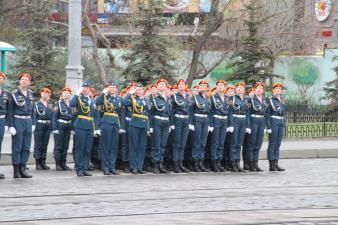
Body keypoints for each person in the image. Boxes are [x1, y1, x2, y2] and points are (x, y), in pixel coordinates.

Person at [8, 72, 35, 178]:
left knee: (26, 147)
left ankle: (23, 168)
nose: (24, 81)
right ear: (19, 81)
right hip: (18, 121)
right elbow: (10, 111)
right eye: (22, 79)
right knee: (17, 147)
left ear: (29, 82)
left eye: (26, 79)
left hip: (28, 121)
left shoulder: (31, 94)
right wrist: (11, 125)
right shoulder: (14, 94)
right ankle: (16, 170)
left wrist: (33, 123)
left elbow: (32, 110)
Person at [95, 81, 125, 175]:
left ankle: (112, 167)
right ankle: (105, 167)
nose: (112, 89)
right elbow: (97, 102)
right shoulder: (104, 97)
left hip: (116, 123)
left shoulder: (119, 98)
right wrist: (103, 92)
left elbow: (121, 114)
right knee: (106, 146)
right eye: (110, 87)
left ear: (116, 89)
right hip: (106, 122)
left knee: (114, 146)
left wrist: (121, 126)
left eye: (113, 87)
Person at [70, 81, 98, 177]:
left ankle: (85, 167)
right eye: (83, 88)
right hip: (81, 124)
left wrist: (96, 128)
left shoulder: (91, 100)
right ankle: (79, 168)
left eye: (87, 87)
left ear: (89, 89)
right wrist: (76, 94)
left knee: (87, 148)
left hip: (90, 125)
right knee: (80, 148)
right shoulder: (78, 98)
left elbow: (95, 114)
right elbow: (72, 104)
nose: (85, 89)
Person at [122, 83, 151, 174]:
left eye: (141, 90)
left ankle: (139, 167)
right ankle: (133, 167)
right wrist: (130, 93)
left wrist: (148, 127)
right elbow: (123, 102)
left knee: (142, 147)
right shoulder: (132, 99)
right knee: (134, 146)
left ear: (143, 91)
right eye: (137, 90)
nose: (139, 91)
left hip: (144, 124)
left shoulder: (146, 100)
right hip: (134, 124)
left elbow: (148, 113)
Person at [149, 79, 172, 174]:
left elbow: (170, 113)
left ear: (166, 87)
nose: (162, 86)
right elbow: (150, 113)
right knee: (156, 144)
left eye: (163, 84)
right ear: (157, 87)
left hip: (166, 123)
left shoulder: (168, 99)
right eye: (160, 84)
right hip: (157, 122)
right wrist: (150, 126)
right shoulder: (154, 99)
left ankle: (161, 164)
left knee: (163, 144)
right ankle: (155, 164)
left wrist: (170, 124)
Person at [228, 82, 250, 172]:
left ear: (244, 90)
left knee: (239, 144)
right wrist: (231, 124)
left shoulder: (246, 99)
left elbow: (248, 113)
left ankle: (237, 163)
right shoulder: (231, 98)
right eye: (238, 87)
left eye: (241, 87)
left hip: (243, 121)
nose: (240, 89)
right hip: (235, 120)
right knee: (234, 143)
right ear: (235, 89)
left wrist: (248, 126)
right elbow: (229, 112)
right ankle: (233, 164)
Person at [190, 80, 212, 172]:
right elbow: (190, 111)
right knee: (197, 142)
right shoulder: (194, 98)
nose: (202, 87)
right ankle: (195, 163)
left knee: (203, 143)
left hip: (205, 120)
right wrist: (191, 123)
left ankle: (201, 163)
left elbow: (210, 112)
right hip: (197, 120)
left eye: (204, 86)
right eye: (201, 85)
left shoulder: (208, 98)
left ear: (207, 88)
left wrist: (210, 124)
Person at [171, 79, 191, 173]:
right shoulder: (174, 96)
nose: (181, 86)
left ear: (185, 86)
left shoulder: (188, 96)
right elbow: (171, 110)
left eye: (183, 84)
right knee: (177, 143)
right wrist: (172, 123)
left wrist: (190, 122)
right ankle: (175, 164)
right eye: (179, 84)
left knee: (183, 144)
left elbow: (190, 110)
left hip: (186, 120)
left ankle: (181, 164)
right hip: (178, 120)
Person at [247, 82, 267, 172]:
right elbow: (247, 113)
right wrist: (248, 126)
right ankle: (251, 164)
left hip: (261, 122)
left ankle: (256, 163)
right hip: (253, 121)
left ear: (263, 91)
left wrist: (265, 125)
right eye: (257, 88)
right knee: (252, 144)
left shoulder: (264, 100)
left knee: (258, 144)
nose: (259, 90)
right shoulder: (250, 100)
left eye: (261, 88)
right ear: (255, 90)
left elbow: (266, 113)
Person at [52, 87, 74, 171]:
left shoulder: (72, 104)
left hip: (68, 126)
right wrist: (54, 128)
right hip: (60, 125)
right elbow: (54, 116)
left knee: (66, 146)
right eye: (64, 93)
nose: (66, 94)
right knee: (59, 145)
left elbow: (74, 115)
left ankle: (64, 163)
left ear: (70, 95)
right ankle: (58, 164)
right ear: (62, 94)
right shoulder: (57, 104)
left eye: (68, 93)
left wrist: (72, 128)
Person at [210, 80, 229, 172]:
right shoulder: (213, 97)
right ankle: (214, 163)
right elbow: (210, 112)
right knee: (215, 142)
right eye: (218, 85)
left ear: (225, 87)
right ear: (216, 87)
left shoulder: (227, 98)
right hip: (216, 120)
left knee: (221, 143)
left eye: (222, 85)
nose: (220, 86)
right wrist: (211, 124)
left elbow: (229, 111)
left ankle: (219, 162)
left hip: (224, 120)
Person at [266, 82, 286, 172]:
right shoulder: (270, 100)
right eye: (276, 88)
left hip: (280, 122)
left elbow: (284, 112)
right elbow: (267, 114)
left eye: (279, 89)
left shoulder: (281, 100)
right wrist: (269, 126)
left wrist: (284, 123)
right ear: (273, 90)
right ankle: (271, 164)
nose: (278, 90)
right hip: (273, 122)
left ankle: (276, 163)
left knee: (278, 144)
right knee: (272, 144)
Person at [33, 87, 52, 170]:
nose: (45, 94)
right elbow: (34, 117)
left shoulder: (50, 105)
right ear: (41, 94)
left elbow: (52, 116)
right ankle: (38, 163)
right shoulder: (37, 105)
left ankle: (43, 162)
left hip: (47, 126)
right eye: (43, 93)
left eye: (47, 93)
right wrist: (35, 127)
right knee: (38, 145)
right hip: (39, 125)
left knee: (45, 144)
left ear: (49, 94)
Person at [0, 72, 9, 179]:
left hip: (2, 120)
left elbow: (9, 110)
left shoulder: (6, 94)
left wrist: (7, 124)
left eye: (1, 78)